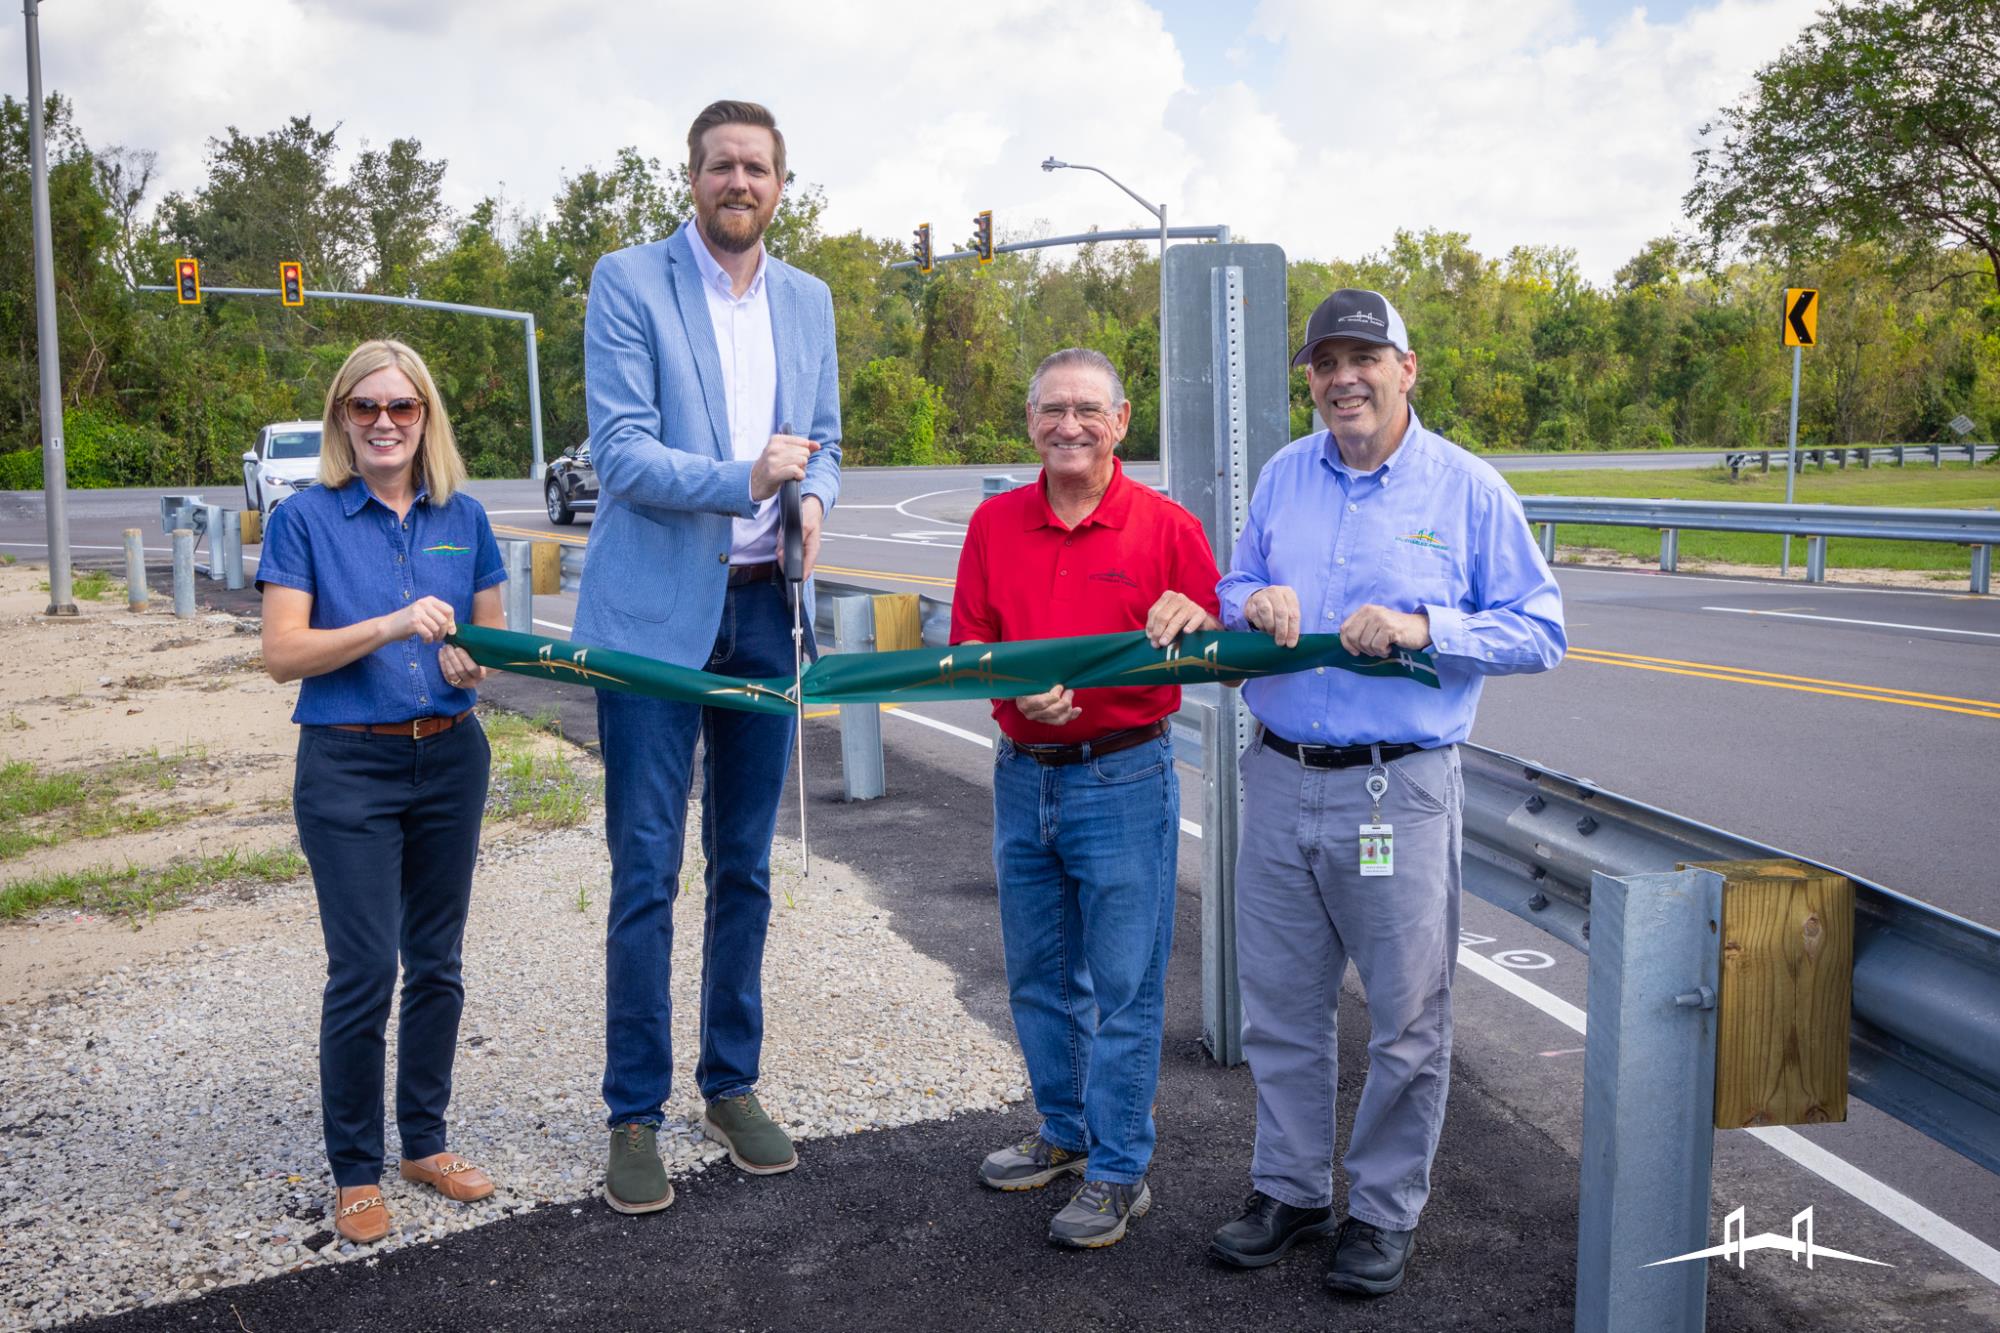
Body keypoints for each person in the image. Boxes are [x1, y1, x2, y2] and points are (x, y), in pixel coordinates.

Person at [1208, 290, 1565, 1295]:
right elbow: (1235, 593)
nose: (1341, 378)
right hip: (1278, 777)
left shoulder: (1464, 488)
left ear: (1406, 369)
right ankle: (1286, 1188)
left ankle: (1378, 1209)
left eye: (1363, 357)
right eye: (1324, 362)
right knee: (1279, 1008)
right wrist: (1252, 602)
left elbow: (1539, 627)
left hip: (1393, 791)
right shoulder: (1283, 475)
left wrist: (1425, 629)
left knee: (1407, 1019)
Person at [574, 98, 841, 1215]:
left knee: (746, 866)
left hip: (759, 611)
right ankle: (632, 1111)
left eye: (758, 167)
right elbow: (621, 453)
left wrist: (812, 492)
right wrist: (750, 477)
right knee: (647, 869)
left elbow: (819, 433)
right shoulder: (627, 281)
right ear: (691, 178)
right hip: (650, 620)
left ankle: (728, 1083)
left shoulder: (807, 299)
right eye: (721, 164)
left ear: (781, 184)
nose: (740, 180)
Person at [950, 348, 1223, 1249]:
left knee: (1125, 987)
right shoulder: (994, 524)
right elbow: (968, 643)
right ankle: (1064, 1132)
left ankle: (1118, 1170)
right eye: (1052, 409)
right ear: (1030, 419)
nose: (1069, 425)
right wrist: (1013, 697)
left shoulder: (1167, 527)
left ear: (1121, 419)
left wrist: (1202, 613)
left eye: (1087, 410)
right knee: (1037, 976)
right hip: (1023, 775)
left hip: (1124, 777)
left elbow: (1217, 629)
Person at [258, 339, 508, 1244]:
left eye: (403, 407)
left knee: (437, 961)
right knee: (365, 968)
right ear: (342, 419)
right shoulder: (305, 519)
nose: (385, 423)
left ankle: (426, 1142)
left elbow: (492, 647)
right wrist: (392, 624)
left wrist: (473, 663)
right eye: (365, 407)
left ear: (426, 417)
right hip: (347, 767)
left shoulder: (465, 517)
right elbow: (283, 652)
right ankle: (355, 1168)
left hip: (449, 757)